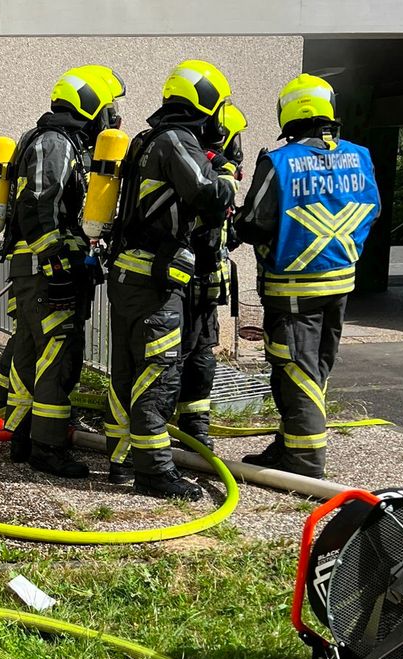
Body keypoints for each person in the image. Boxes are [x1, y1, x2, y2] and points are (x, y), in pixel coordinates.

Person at [103, 59, 239, 500]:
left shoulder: (145, 140)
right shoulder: (177, 141)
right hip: (154, 285)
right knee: (157, 375)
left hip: (128, 276)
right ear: (208, 106)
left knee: (125, 371)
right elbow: (209, 194)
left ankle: (122, 459)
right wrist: (228, 174)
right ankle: (156, 472)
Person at [234, 73, 380, 478]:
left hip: (292, 288)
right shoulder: (359, 156)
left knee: (295, 370)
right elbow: (373, 210)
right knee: (315, 368)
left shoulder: (279, 162)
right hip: (340, 282)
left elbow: (255, 223)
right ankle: (288, 446)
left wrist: (233, 223)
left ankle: (304, 464)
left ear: (290, 113)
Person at [0, 67, 121, 477]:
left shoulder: (50, 140)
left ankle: (25, 438)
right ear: (91, 105)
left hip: (34, 271)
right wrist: (56, 262)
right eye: (108, 108)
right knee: (58, 356)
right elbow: (40, 204)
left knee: (31, 353)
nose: (112, 118)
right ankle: (48, 447)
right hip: (46, 271)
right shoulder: (55, 143)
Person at [176, 101, 248, 449]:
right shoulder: (209, 171)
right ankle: (181, 431)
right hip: (193, 282)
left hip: (197, 284)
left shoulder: (203, 168)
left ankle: (191, 429)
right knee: (188, 355)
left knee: (196, 356)